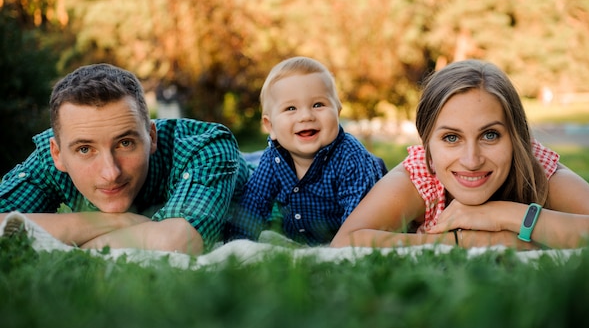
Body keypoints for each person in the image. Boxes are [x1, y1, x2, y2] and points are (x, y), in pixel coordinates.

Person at [331, 60, 589, 249]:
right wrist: (465, 240)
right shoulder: (419, 179)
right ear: (427, 147)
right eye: (451, 138)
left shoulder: (535, 170)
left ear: (517, 139)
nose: (471, 160)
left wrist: (503, 215)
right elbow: (347, 241)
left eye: (490, 135)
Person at [0, 63, 251, 254]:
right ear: (58, 154)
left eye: (125, 143)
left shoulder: (207, 147)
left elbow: (178, 242)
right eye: (86, 150)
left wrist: (63, 240)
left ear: (151, 136)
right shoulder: (54, 154)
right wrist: (116, 221)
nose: (111, 173)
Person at [226, 56, 387, 245]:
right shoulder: (273, 158)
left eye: (318, 105)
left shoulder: (351, 158)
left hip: (346, 228)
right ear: (271, 127)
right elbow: (253, 203)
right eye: (291, 108)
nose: (305, 116)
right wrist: (237, 243)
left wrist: (342, 245)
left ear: (337, 112)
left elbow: (359, 221)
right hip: (304, 235)